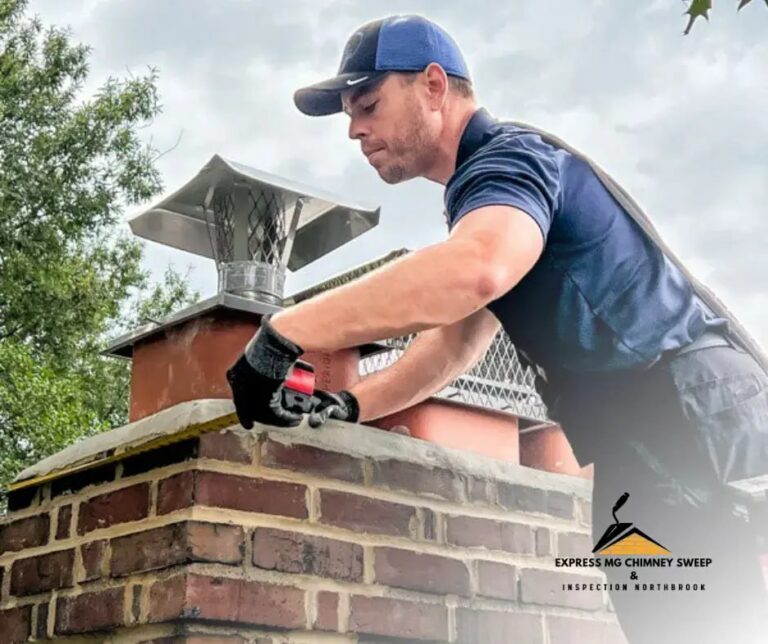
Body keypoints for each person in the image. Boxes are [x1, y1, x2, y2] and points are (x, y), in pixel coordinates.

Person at [226, 14, 768, 643]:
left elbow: (475, 270)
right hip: (651, 438)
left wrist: (283, 332)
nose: (355, 130)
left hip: (689, 426)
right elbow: (456, 340)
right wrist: (347, 405)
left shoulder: (507, 160)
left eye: (369, 104)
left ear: (434, 85)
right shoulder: (492, 192)